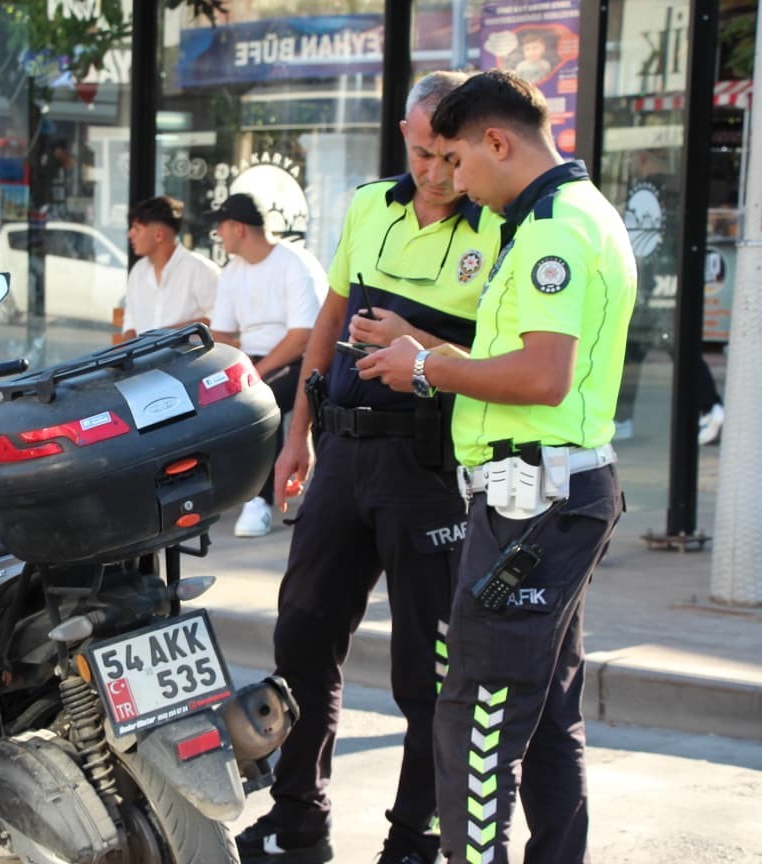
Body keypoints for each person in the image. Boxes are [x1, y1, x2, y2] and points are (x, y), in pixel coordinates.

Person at [358, 69, 635, 864]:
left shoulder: (551, 229)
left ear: (496, 141)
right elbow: (521, 364)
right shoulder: (575, 212)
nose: (449, 181)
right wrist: (427, 351)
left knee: (476, 717)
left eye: (454, 160)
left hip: (533, 501)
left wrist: (426, 370)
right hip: (552, 492)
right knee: (544, 713)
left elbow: (541, 376)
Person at [233, 71, 502, 864]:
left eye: (447, 157)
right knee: (302, 640)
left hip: (430, 464)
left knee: (430, 669)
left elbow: (515, 360)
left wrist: (418, 341)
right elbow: (330, 316)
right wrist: (298, 432)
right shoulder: (369, 205)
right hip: (344, 453)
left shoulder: (496, 226)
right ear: (405, 135)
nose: (435, 173)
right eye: (421, 153)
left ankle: (414, 838)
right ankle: (297, 819)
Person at [205, 192, 326, 538]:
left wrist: (255, 374)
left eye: (222, 226)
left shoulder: (294, 263)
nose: (219, 234)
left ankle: (259, 502)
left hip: (301, 361)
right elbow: (221, 333)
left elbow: (303, 336)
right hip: (254, 363)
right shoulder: (232, 272)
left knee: (262, 400)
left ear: (239, 228)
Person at [121, 195, 220, 340]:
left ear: (159, 235)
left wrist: (166, 336)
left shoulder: (201, 269)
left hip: (189, 361)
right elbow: (130, 323)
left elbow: (219, 319)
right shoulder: (138, 271)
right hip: (143, 361)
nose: (130, 234)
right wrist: (129, 355)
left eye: (136, 228)